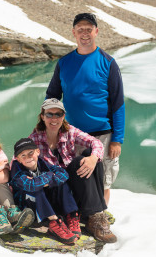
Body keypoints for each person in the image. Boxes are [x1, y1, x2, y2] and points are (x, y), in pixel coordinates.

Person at [46, 12, 125, 206]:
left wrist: (117, 140)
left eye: (88, 29)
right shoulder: (64, 63)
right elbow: (52, 97)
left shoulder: (108, 63)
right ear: (73, 33)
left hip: (103, 134)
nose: (84, 33)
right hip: (73, 134)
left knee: (104, 179)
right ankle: (80, 215)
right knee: (75, 176)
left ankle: (101, 216)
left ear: (96, 31)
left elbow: (118, 103)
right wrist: (51, 126)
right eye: (80, 29)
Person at [29, 99, 117, 243]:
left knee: (90, 155)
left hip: (72, 190)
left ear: (63, 116)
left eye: (58, 114)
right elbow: (19, 160)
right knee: (76, 164)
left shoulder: (70, 131)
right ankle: (93, 215)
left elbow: (96, 143)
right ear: (42, 116)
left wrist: (94, 158)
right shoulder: (34, 139)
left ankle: (94, 216)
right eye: (49, 114)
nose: (54, 118)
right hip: (54, 191)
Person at [10, 138, 80, 245]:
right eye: (22, 155)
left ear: (37, 152)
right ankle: (53, 223)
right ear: (18, 159)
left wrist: (47, 181)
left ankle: (71, 216)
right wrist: (49, 175)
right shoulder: (16, 169)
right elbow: (32, 185)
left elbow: (64, 173)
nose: (28, 157)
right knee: (36, 190)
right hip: (29, 207)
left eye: (30, 153)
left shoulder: (42, 162)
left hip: (44, 204)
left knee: (62, 184)